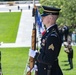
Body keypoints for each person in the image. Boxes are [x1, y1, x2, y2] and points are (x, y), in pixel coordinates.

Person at [29, 6, 63, 75]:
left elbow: (48, 59)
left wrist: (35, 55)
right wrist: (38, 64)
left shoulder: (52, 36)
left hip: (50, 72)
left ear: (50, 18)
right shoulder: (49, 33)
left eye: (44, 16)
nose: (42, 18)